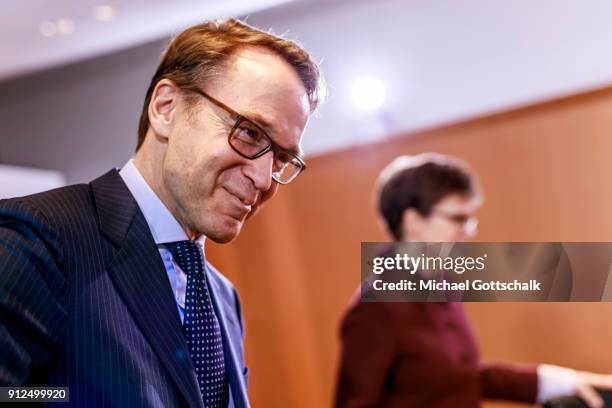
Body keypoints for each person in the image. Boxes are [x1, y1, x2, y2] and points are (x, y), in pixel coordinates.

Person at [0, 19, 323, 408]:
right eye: (251, 133)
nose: (263, 177)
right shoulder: (37, 238)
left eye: (283, 158)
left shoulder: (223, 297)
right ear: (166, 108)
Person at [335, 153, 612, 408]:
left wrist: (562, 381)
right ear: (413, 220)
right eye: (458, 219)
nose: (468, 231)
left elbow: (460, 377)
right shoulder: (377, 306)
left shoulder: (441, 286)